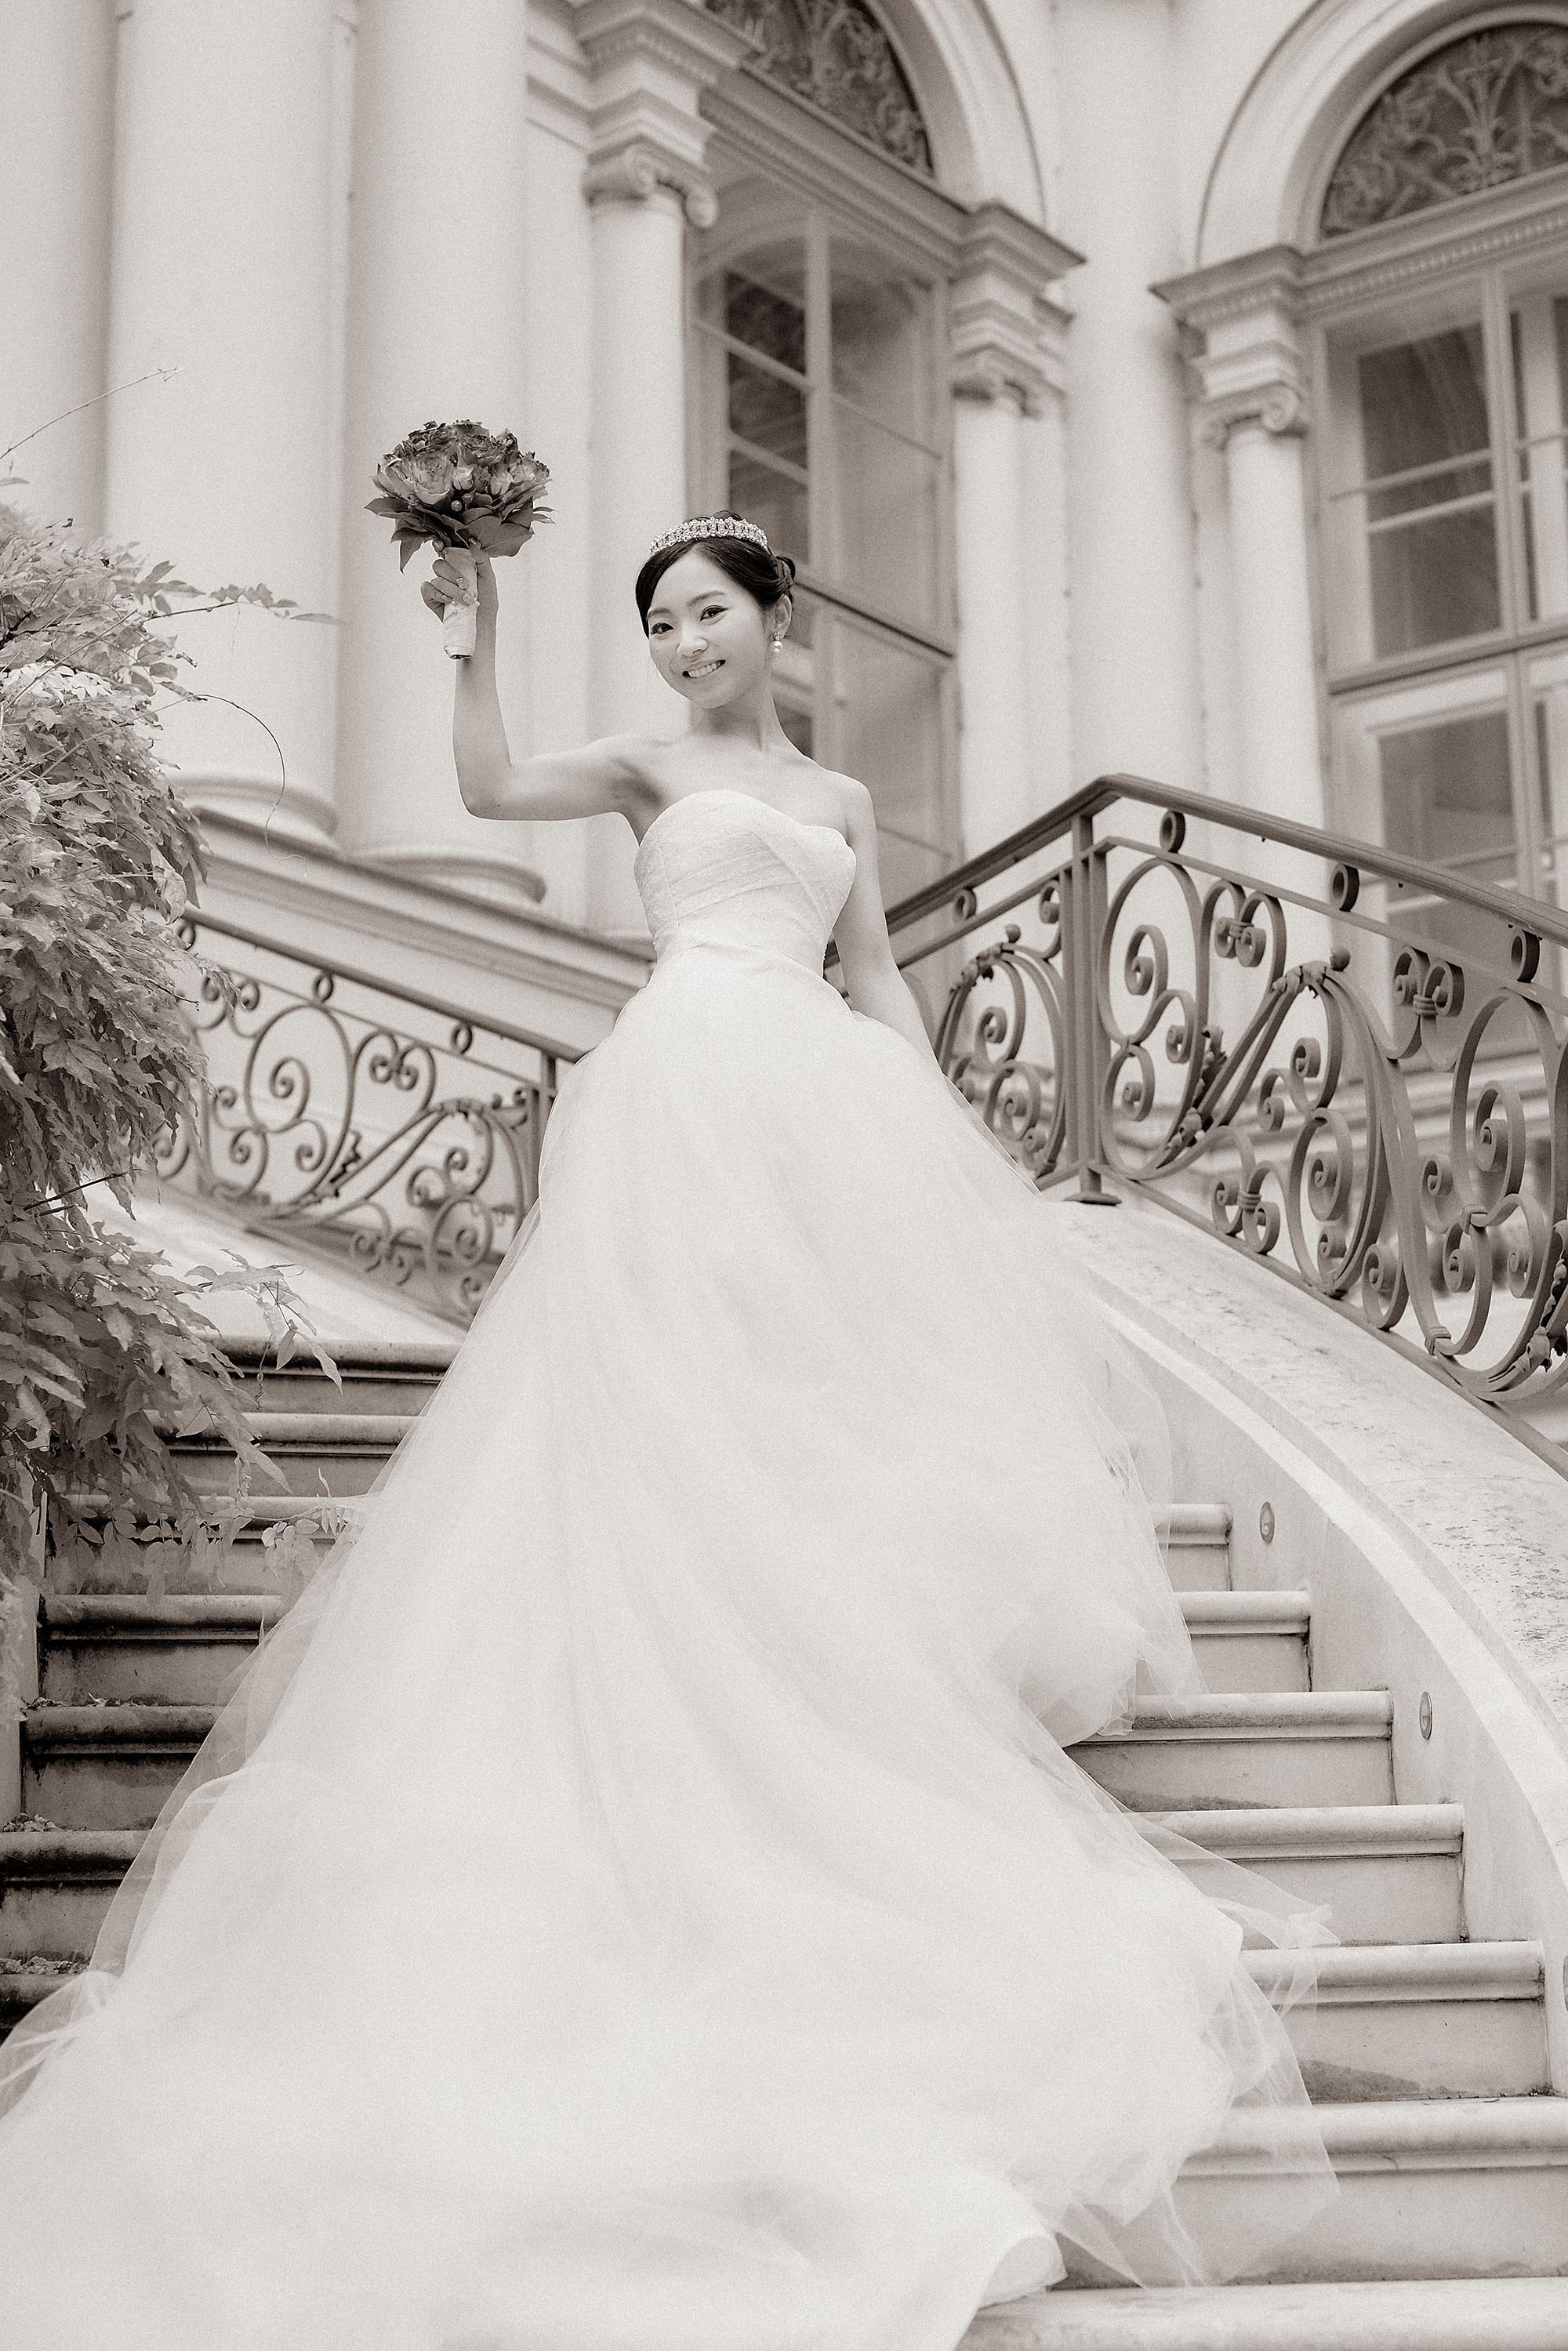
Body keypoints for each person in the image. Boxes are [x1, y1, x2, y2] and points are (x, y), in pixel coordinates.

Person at [0, 513, 1334, 2350]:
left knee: (805, 1407)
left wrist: (933, 1145)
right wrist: (469, 632)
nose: (681, 641)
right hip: (684, 1077)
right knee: (659, 1388)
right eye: (658, 622)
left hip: (817, 1090)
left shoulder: (844, 800)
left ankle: (803, 1671)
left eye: (705, 612)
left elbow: (874, 976)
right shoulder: (642, 767)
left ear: (776, 620)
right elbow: (483, 780)